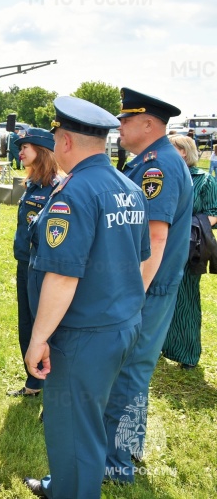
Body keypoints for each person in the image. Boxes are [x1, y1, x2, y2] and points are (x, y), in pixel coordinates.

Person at [22, 96, 150, 499]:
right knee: (89, 422)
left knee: (75, 434)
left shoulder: (72, 195)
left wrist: (38, 339)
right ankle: (63, 485)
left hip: (82, 335)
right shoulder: (128, 187)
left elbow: (62, 276)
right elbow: (141, 258)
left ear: (65, 142)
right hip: (120, 325)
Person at [103, 88, 193, 482]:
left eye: (125, 119)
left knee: (129, 372)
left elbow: (156, 239)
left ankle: (116, 462)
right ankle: (128, 447)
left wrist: (131, 296)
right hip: (153, 286)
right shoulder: (153, 161)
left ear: (148, 123)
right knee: (134, 370)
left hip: (148, 288)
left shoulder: (158, 167)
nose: (119, 126)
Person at [8, 128, 61, 398]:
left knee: (47, 328)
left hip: (44, 269)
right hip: (25, 263)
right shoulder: (32, 184)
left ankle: (52, 388)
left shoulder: (57, 187)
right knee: (27, 324)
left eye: (26, 146)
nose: (21, 151)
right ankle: (33, 383)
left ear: (41, 151)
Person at [162, 135, 217, 369]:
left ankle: (186, 354)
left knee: (185, 301)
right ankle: (157, 347)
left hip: (187, 247)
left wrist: (187, 224)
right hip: (159, 246)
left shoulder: (204, 180)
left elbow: (214, 213)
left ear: (184, 152)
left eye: (170, 148)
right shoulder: (161, 177)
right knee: (158, 298)